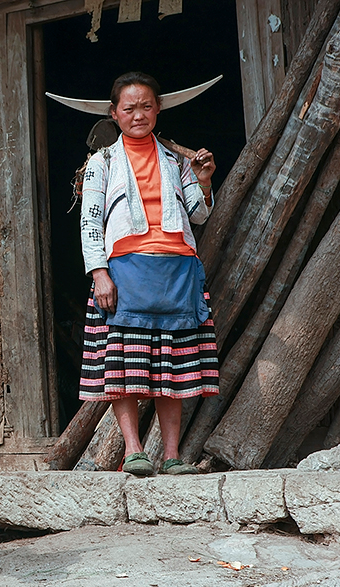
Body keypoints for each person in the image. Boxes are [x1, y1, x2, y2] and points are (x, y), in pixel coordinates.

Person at [78, 72, 220, 477]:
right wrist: (99, 273)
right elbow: (90, 223)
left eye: (146, 106)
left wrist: (204, 180)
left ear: (158, 109)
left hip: (177, 269)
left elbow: (198, 214)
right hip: (126, 271)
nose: (138, 115)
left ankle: (171, 456)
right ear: (114, 114)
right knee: (124, 366)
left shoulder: (176, 161)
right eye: (129, 108)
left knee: (173, 366)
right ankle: (134, 451)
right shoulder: (102, 162)